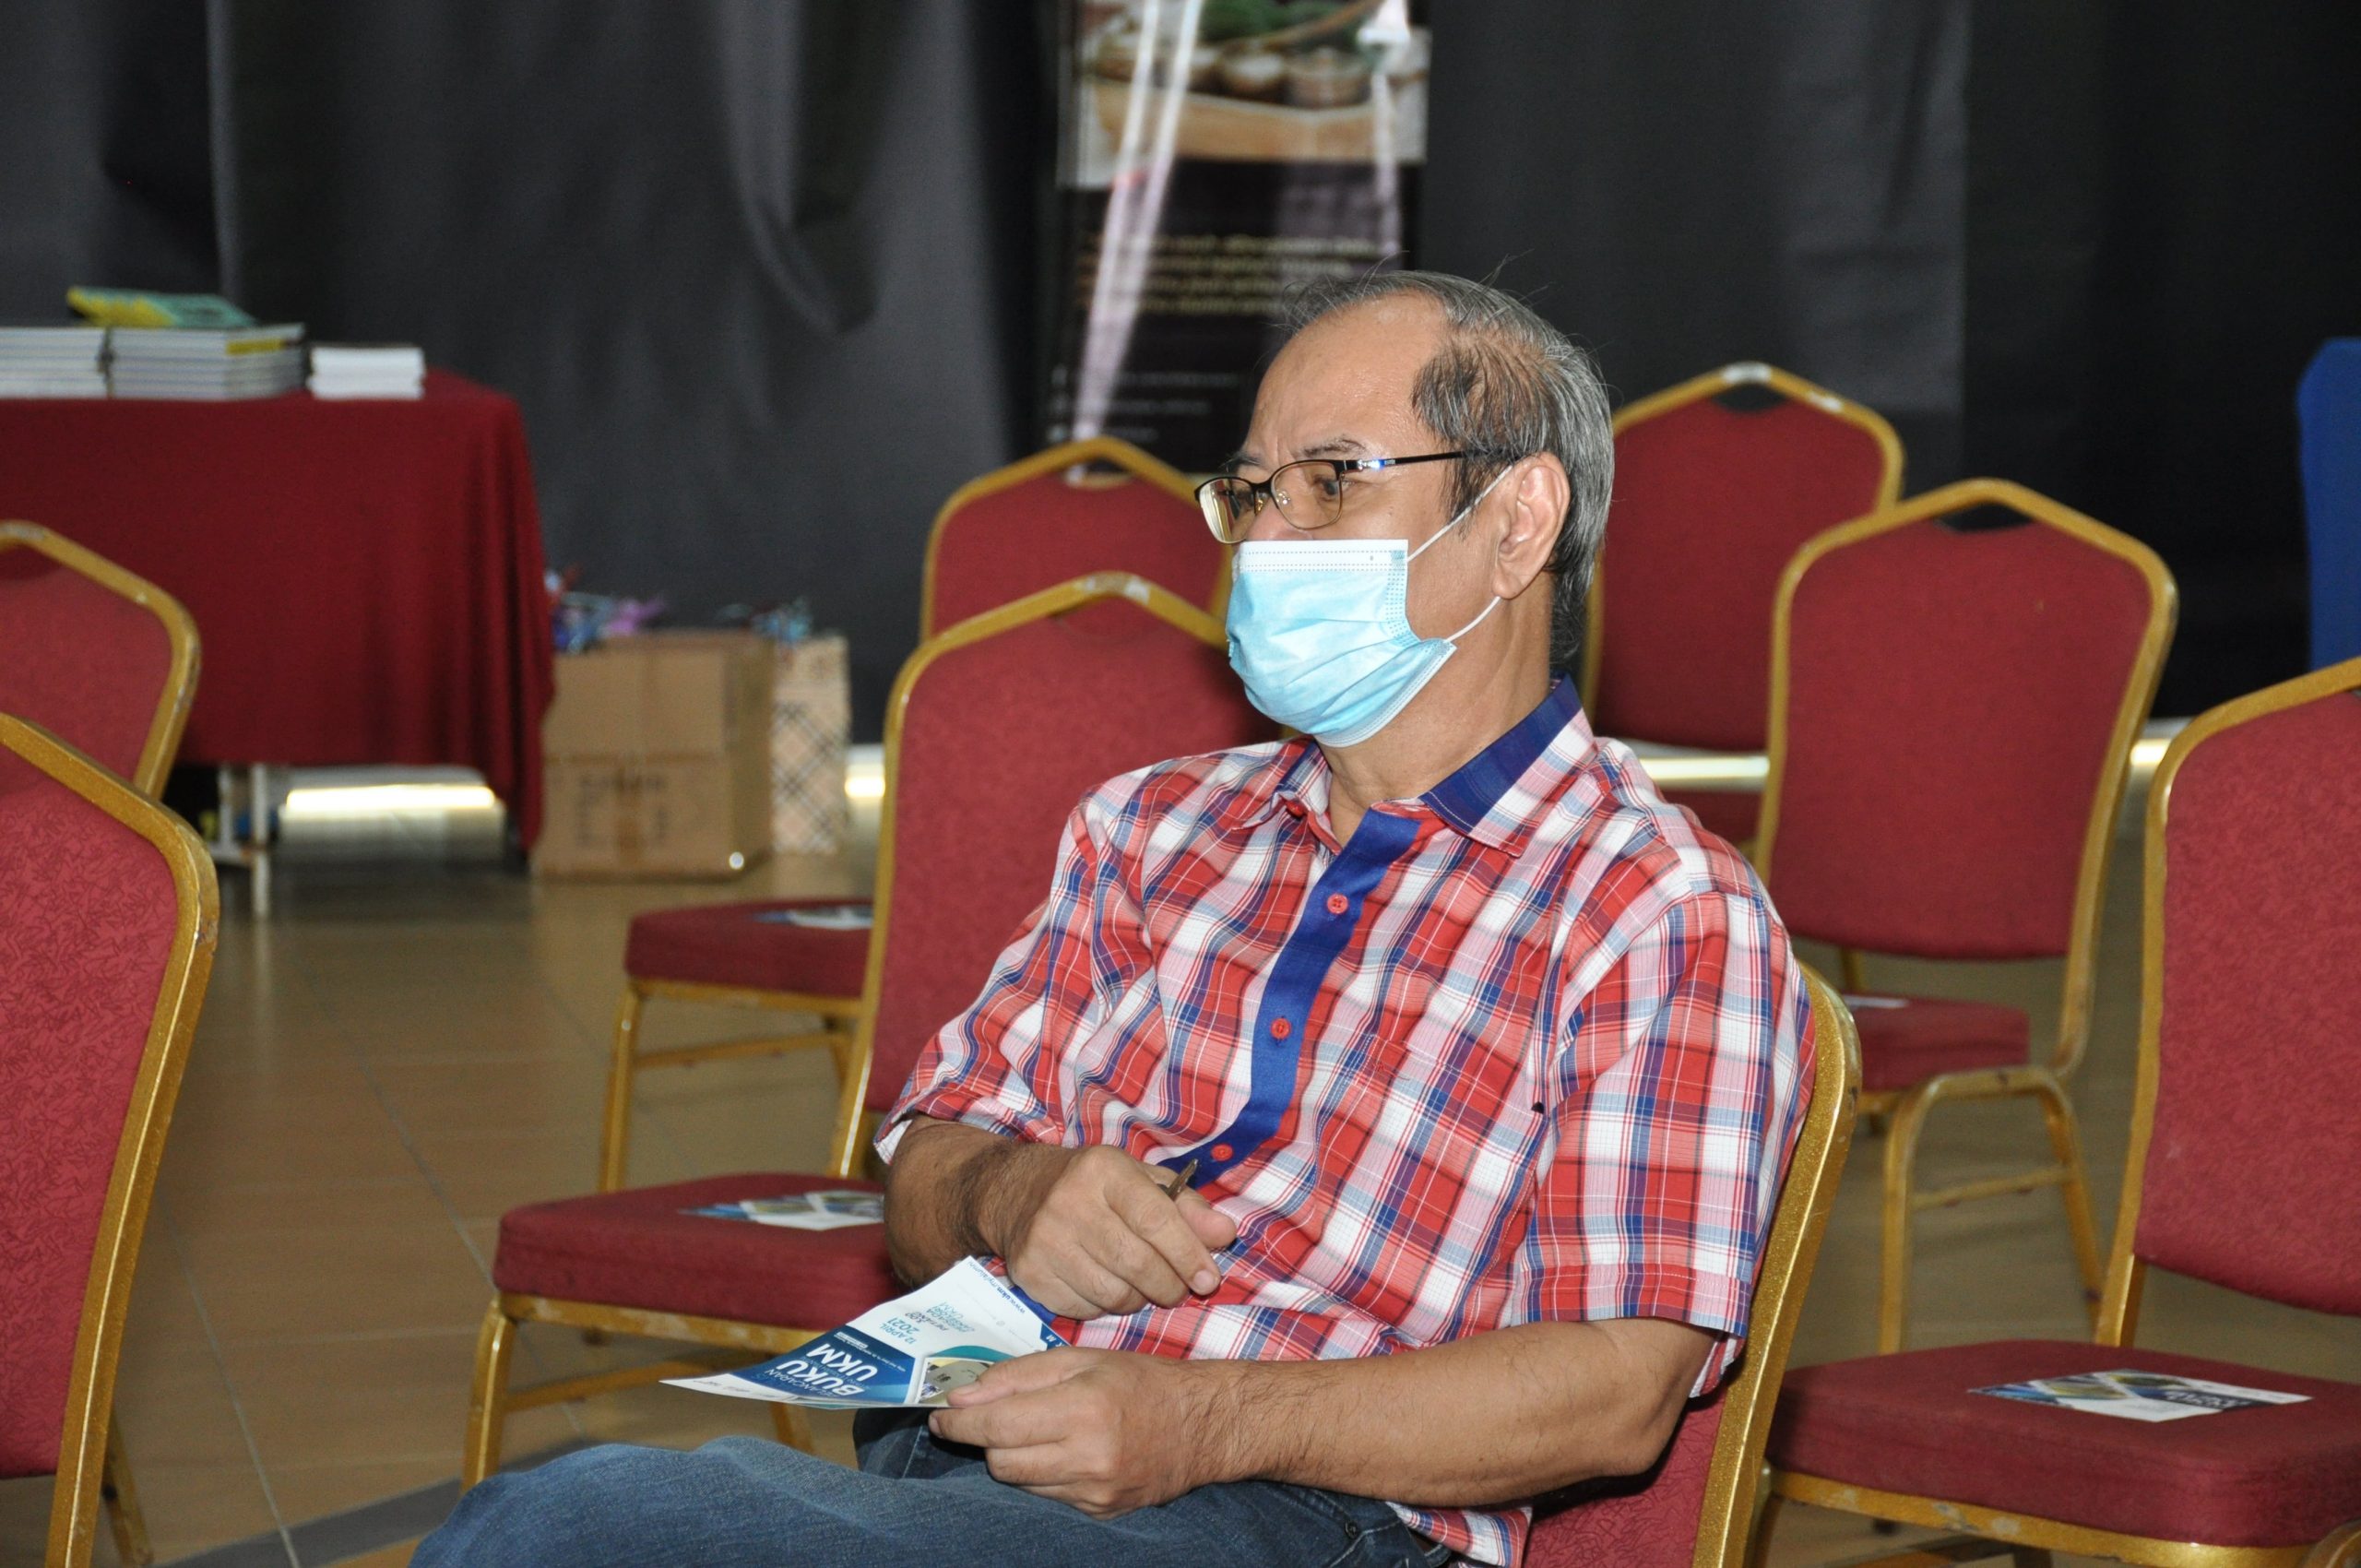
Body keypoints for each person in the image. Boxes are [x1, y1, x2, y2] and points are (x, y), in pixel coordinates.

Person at [416, 270, 1813, 1568]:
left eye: (1331, 484)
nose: (1267, 540)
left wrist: (1199, 1423)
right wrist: (1012, 1194)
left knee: (574, 1532)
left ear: (1517, 522)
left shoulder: (1655, 907)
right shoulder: (1153, 826)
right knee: (575, 1522)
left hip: (1315, 1515)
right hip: (984, 1455)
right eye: (1250, 492)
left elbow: (1616, 1392)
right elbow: (923, 1177)